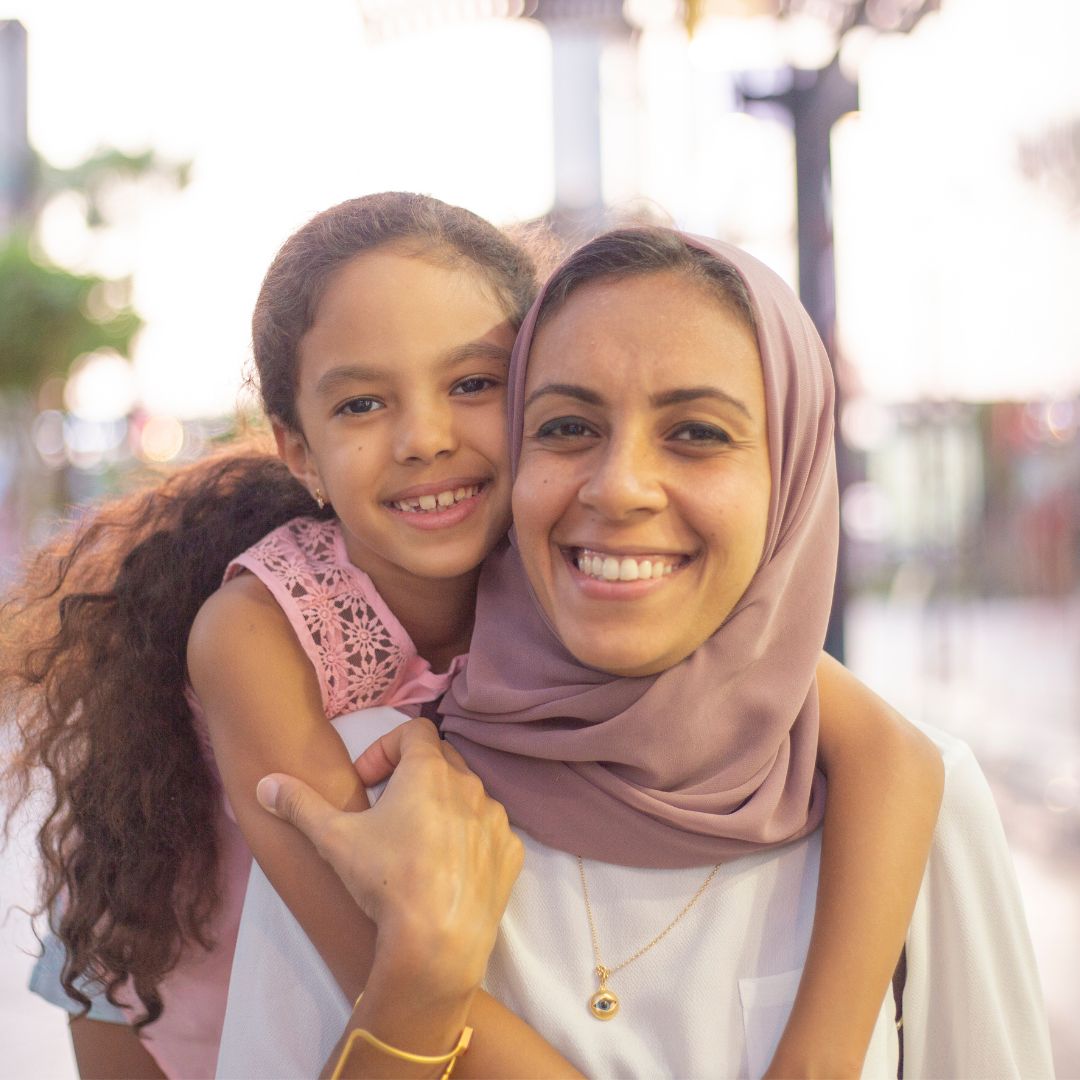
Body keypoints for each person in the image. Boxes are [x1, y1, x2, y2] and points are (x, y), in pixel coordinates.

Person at [4, 197, 941, 1078]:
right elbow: (379, 947)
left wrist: (816, 1059)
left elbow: (894, 755)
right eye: (361, 404)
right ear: (299, 451)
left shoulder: (571, 563)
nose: (425, 436)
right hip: (168, 961)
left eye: (473, 384)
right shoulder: (256, 634)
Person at [217, 226, 1054, 1079]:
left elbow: (891, 751)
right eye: (567, 426)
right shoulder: (368, 798)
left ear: (795, 473)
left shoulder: (917, 806)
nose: (619, 487)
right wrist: (419, 980)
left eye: (698, 433)